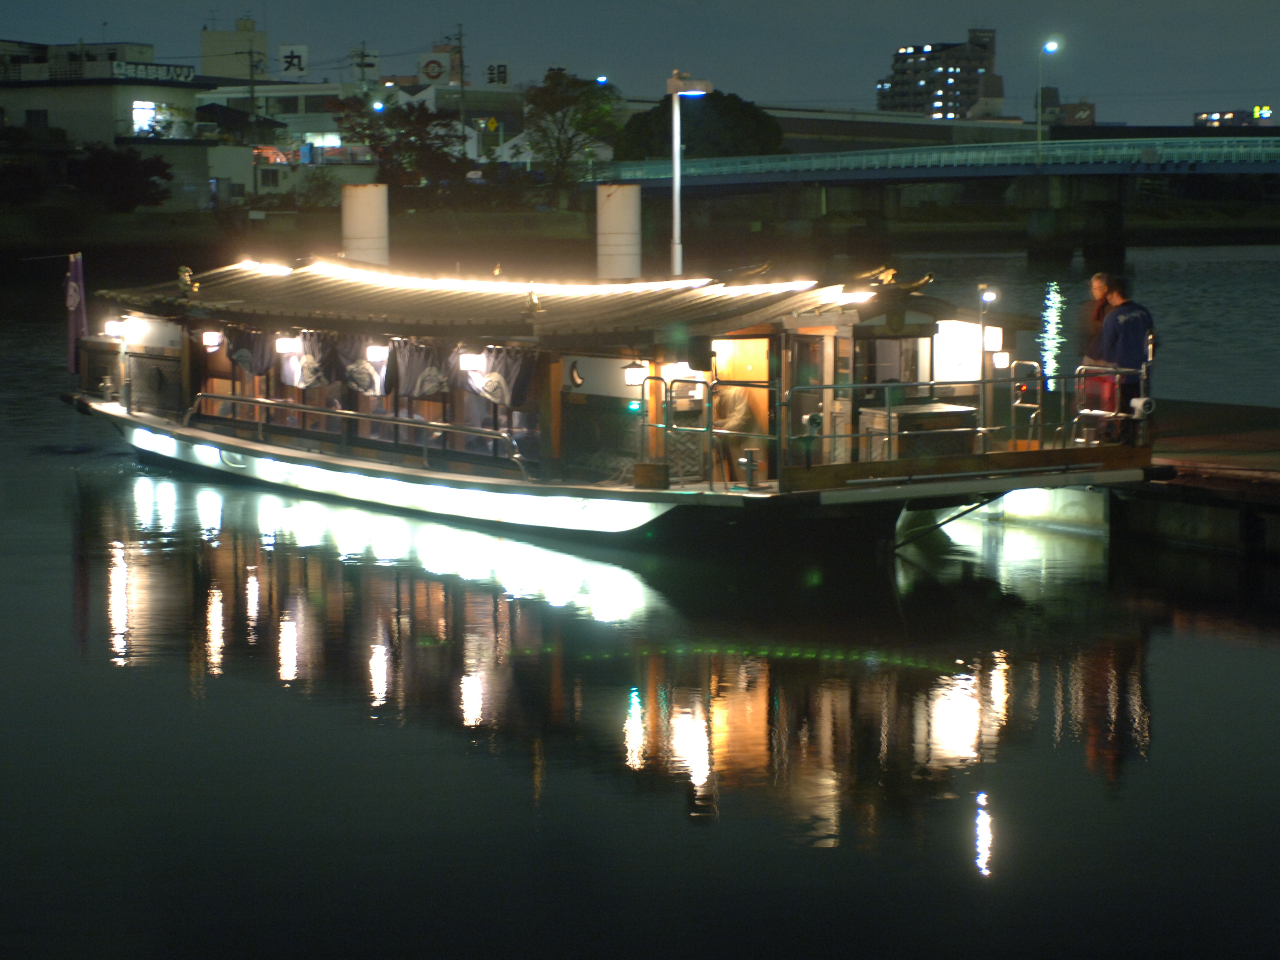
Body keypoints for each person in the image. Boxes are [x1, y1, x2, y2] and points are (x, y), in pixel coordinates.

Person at [1098, 276, 1155, 444]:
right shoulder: (1143, 312)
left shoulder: (1113, 317)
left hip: (1123, 371)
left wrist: (1106, 364)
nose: (1107, 298)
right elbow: (1152, 338)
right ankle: (1142, 436)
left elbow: (1107, 347)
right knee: (1141, 405)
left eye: (1108, 294)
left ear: (1114, 293)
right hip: (1143, 369)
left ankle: (1126, 441)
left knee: (1124, 408)